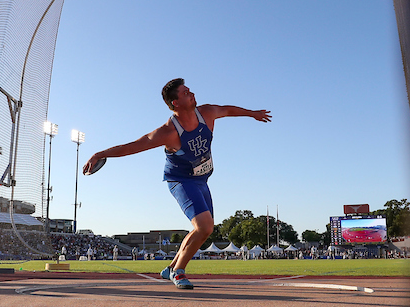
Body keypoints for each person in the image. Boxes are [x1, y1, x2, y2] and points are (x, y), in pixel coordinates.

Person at [82, 78, 270, 289]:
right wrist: (100, 153)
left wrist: (252, 113)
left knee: (205, 229)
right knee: (204, 226)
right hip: (180, 180)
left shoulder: (206, 113)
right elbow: (135, 146)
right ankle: (178, 271)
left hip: (202, 180)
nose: (191, 93)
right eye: (185, 92)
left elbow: (227, 110)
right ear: (175, 104)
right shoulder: (169, 132)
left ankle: (169, 267)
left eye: (189, 90)